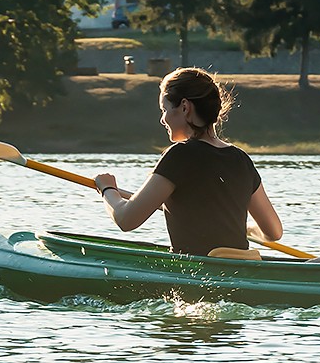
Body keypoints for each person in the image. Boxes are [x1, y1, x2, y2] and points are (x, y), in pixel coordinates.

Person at [94, 67, 284, 257]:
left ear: (185, 107)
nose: (163, 119)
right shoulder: (241, 159)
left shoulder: (180, 156)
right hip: (242, 272)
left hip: (200, 275)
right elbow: (274, 232)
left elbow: (126, 219)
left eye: (165, 109)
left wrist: (108, 189)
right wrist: (247, 228)